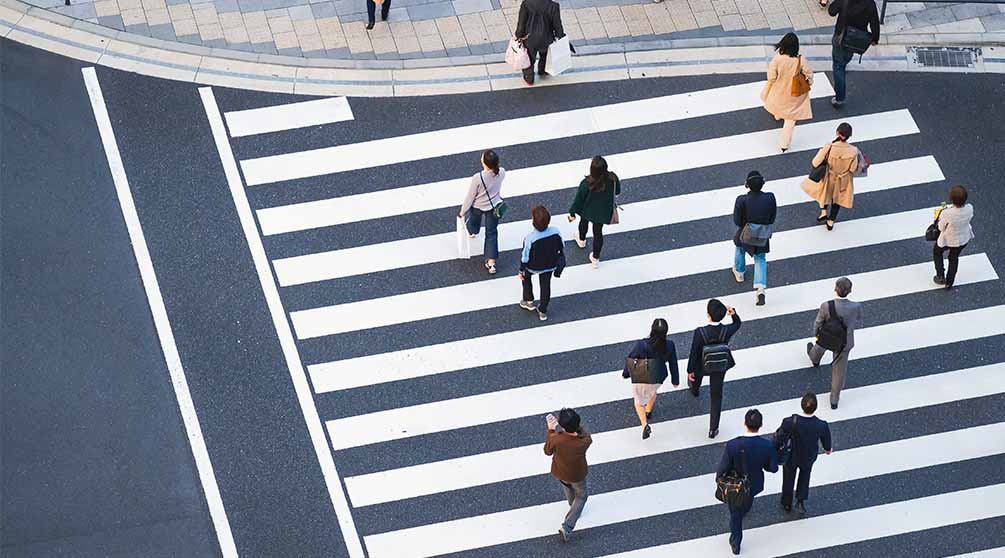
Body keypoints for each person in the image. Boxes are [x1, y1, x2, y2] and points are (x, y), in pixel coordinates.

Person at [716, 409, 778, 555]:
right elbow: (773, 468)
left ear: (745, 423)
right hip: (754, 483)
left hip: (736, 485)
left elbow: (723, 468)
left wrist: (719, 479)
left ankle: (736, 542)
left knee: (735, 514)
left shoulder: (732, 445)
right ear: (761, 425)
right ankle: (745, 508)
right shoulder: (767, 446)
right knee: (747, 501)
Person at [687, 299, 742, 438]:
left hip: (702, 364)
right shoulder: (726, 330)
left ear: (708, 315)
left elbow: (694, 352)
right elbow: (737, 324)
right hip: (719, 365)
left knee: (697, 377)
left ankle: (695, 389)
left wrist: (690, 370)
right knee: (716, 396)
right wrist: (733, 313)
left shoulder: (700, 332)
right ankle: (713, 429)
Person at [807, 277, 863, 409]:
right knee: (839, 371)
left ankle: (814, 359)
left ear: (835, 289)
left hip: (827, 336)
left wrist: (817, 335)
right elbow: (859, 322)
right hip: (844, 341)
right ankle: (834, 400)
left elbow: (818, 323)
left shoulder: (826, 306)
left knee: (819, 347)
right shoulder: (856, 307)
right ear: (850, 291)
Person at [774, 392, 832, 515]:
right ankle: (800, 501)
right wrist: (828, 449)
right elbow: (827, 443)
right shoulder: (821, 425)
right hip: (808, 456)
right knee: (805, 476)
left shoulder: (789, 422)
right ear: (815, 407)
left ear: (802, 405)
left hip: (792, 456)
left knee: (788, 478)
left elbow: (780, 438)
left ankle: (787, 503)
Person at [622, 318, 680, 439]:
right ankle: (648, 411)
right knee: (652, 392)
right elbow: (673, 362)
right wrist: (675, 380)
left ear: (652, 330)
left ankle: (644, 425)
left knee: (638, 402)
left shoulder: (641, 345)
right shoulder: (669, 345)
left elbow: (631, 359)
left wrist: (626, 373)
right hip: (657, 376)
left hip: (642, 376)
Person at [544, 408, 592, 543]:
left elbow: (547, 451)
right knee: (582, 495)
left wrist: (552, 430)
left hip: (560, 471)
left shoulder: (557, 439)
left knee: (567, 487)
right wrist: (576, 427)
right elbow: (585, 434)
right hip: (577, 473)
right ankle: (568, 526)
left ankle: (573, 507)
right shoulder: (584, 441)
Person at [761, 33, 814, 152]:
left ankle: (778, 115)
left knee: (779, 106)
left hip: (779, 91)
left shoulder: (777, 58)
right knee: (790, 120)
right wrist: (808, 83)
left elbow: (771, 77)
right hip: (795, 94)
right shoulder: (800, 60)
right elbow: (809, 75)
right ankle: (784, 145)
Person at [801, 122, 858, 231]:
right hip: (842, 179)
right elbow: (852, 169)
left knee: (824, 193)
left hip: (828, 176)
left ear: (837, 133)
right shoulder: (853, 150)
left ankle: (823, 212)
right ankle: (831, 222)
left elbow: (815, 162)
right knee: (837, 200)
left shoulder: (829, 147)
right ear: (849, 136)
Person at [732, 171, 777, 306]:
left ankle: (739, 272)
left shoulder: (742, 200)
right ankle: (760, 288)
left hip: (746, 232)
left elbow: (737, 221)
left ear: (747, 185)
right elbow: (772, 218)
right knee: (760, 259)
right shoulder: (770, 197)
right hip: (762, 233)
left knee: (739, 247)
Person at [459, 149, 506, 275]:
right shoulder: (501, 172)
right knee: (491, 233)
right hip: (494, 206)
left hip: (478, 206)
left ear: (484, 163)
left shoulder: (478, 178)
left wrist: (462, 211)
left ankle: (472, 231)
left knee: (474, 221)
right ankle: (491, 262)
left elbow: (470, 196)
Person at [569, 156, 621, 268]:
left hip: (587, 210)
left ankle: (581, 240)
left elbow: (578, 200)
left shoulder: (586, 183)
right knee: (598, 233)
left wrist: (572, 212)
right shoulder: (612, 178)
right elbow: (617, 191)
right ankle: (595, 258)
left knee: (583, 222)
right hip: (603, 212)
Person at [827, 0, 880, 107]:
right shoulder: (870, 3)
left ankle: (839, 98)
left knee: (838, 66)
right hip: (856, 39)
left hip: (841, 37)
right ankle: (845, 62)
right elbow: (875, 23)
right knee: (847, 55)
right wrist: (875, 39)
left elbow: (831, 11)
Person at [519, 206, 566, 321]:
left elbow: (525, 257)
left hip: (532, 267)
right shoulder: (555, 232)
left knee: (526, 279)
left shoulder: (530, 238)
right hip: (550, 264)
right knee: (545, 286)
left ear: (533, 222)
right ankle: (543, 310)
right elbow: (561, 246)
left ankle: (528, 300)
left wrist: (521, 270)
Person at [933, 185, 974, 290]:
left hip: (948, 239)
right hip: (963, 238)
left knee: (937, 252)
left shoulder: (947, 213)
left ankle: (940, 276)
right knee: (953, 258)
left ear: (951, 199)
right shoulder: (969, 208)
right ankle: (949, 282)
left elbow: (941, 228)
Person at [514, 0, 564, 86]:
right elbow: (557, 25)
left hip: (529, 39)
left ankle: (529, 78)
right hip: (547, 38)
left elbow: (521, 24)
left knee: (529, 58)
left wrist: (518, 35)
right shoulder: (554, 6)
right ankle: (543, 71)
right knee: (544, 56)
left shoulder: (526, 4)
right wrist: (560, 36)